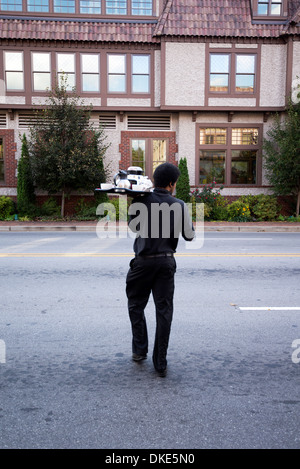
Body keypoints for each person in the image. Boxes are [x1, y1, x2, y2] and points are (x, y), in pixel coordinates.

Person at [126, 162, 195, 377]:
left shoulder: (142, 200)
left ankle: (139, 351)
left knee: (136, 305)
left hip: (143, 262)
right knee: (164, 312)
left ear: (154, 181)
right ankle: (160, 362)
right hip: (166, 263)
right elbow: (189, 236)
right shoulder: (179, 204)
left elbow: (133, 227)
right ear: (172, 184)